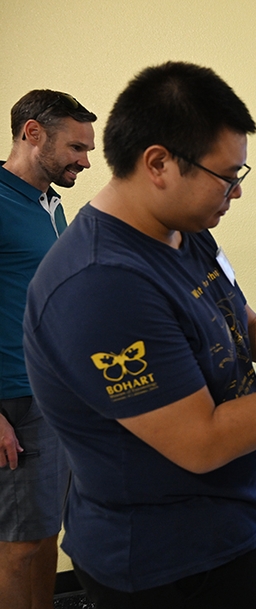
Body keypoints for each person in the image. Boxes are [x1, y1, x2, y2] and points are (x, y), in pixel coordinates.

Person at [22, 61, 256, 609]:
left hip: (228, 529)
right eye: (227, 177)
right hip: (161, 563)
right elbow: (201, 442)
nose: (236, 194)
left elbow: (243, 327)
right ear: (159, 164)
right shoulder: (100, 284)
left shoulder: (185, 231)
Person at [0, 89, 96, 609]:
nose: (84, 161)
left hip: (53, 398)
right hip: (12, 402)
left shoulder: (52, 206)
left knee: (42, 539)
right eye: (77, 148)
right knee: (17, 548)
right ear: (32, 133)